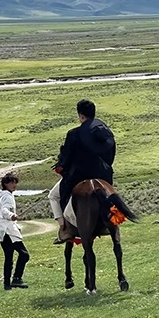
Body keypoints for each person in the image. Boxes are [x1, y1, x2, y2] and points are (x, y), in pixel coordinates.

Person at [50, 99, 116, 244]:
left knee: (54, 196)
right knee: (109, 193)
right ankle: (113, 219)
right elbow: (111, 154)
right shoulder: (106, 132)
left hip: (78, 175)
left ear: (81, 116)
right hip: (103, 174)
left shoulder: (74, 134)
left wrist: (61, 167)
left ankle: (64, 229)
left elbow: (67, 157)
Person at [0, 172, 30, 290]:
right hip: (8, 229)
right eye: (11, 182)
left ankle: (7, 284)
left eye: (15, 182)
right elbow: (4, 210)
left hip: (1, 229)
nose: (14, 185)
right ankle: (16, 279)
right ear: (5, 184)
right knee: (24, 255)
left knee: (9, 257)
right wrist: (12, 215)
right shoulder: (8, 196)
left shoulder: (3, 195)